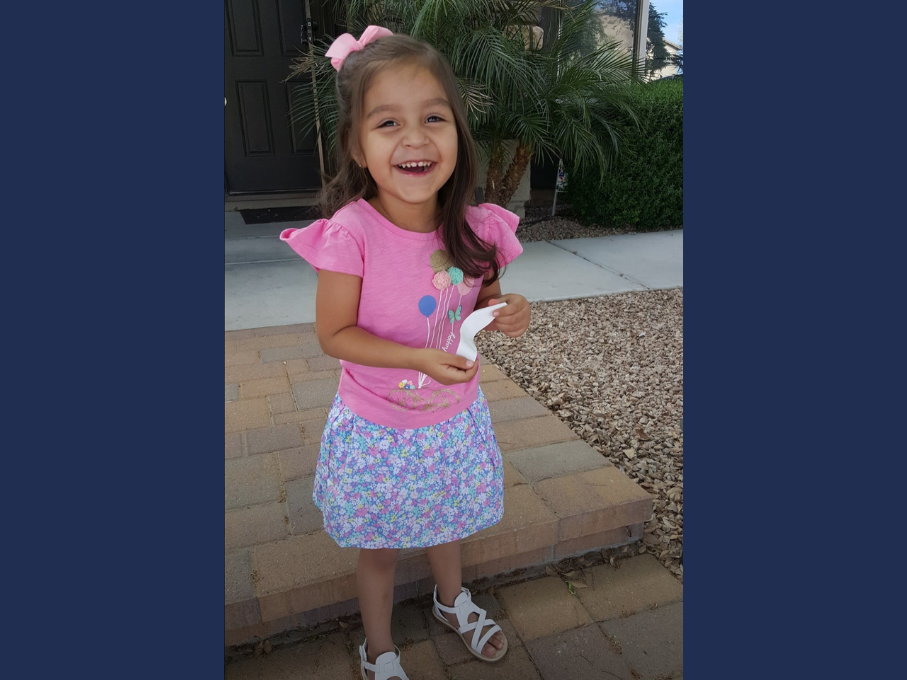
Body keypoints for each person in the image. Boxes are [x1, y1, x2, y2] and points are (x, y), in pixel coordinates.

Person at [280, 25, 530, 680]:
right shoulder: (350, 233)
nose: (415, 138)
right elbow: (334, 335)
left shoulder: (476, 227)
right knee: (382, 546)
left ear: (457, 135)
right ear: (358, 147)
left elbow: (486, 295)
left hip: (452, 419)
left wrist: (507, 312)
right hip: (377, 428)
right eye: (388, 122)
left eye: (433, 118)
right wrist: (416, 359)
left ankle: (453, 603)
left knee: (446, 523)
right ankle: (379, 647)